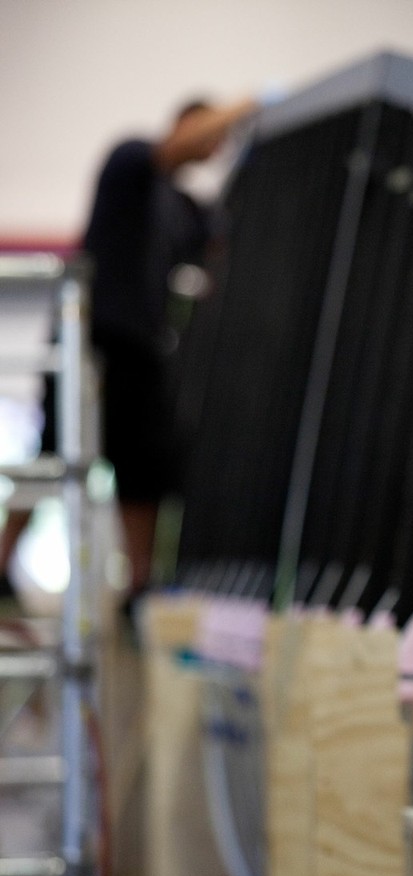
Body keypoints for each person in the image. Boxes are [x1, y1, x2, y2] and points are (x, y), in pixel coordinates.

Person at [0, 96, 257, 605]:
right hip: (91, 342)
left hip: (141, 351)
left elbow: (222, 242)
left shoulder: (184, 209)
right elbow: (175, 148)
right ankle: (2, 564)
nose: (213, 145)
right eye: (208, 132)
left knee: (145, 470)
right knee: (54, 456)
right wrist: (245, 104)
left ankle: (138, 586)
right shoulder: (132, 160)